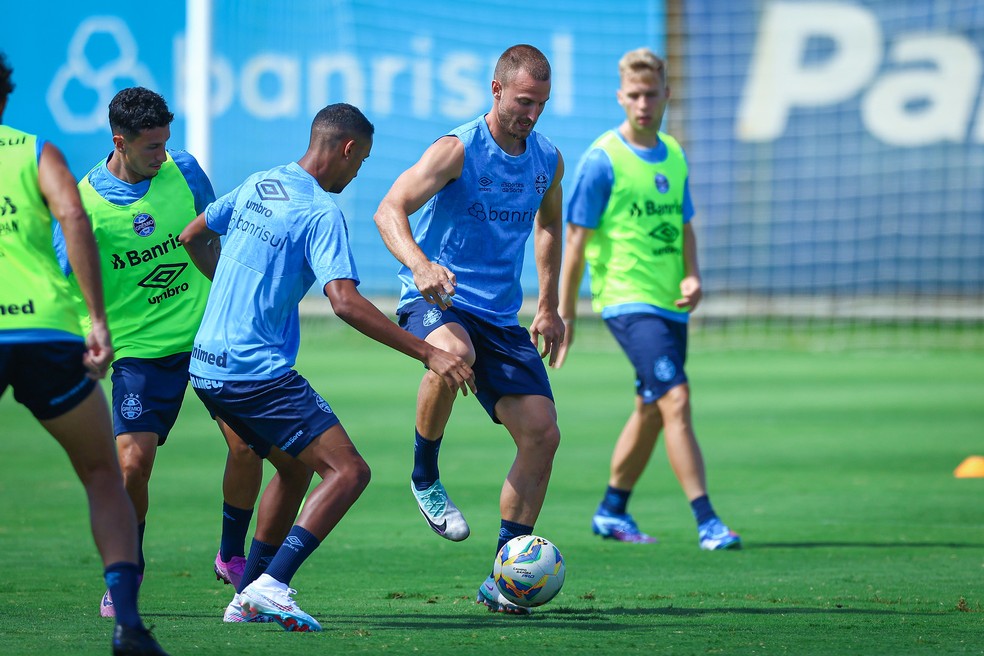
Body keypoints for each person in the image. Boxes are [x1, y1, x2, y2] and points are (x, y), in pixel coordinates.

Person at [179, 102, 476, 631]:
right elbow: (344, 302)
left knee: (293, 470)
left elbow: (193, 235)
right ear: (347, 149)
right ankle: (273, 586)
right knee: (349, 471)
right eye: (361, 162)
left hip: (206, 364)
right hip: (254, 370)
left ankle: (247, 593)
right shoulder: (319, 211)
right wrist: (429, 351)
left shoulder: (260, 183)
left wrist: (234, 288)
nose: (358, 172)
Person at [53, 87, 264, 616]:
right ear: (119, 142)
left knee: (248, 448)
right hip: (139, 353)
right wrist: (84, 339)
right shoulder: (84, 208)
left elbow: (213, 238)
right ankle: (128, 569)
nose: (163, 154)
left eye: (167, 142)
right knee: (133, 463)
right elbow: (63, 285)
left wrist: (235, 303)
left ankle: (231, 556)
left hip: (207, 336)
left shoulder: (184, 169)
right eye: (152, 147)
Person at [373, 44, 565, 614]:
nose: (531, 115)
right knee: (451, 353)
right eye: (524, 102)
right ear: (497, 90)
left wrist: (549, 305)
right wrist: (420, 265)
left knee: (542, 433)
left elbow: (550, 225)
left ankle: (506, 576)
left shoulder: (548, 159)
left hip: (501, 316)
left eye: (541, 105)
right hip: (439, 297)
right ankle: (424, 474)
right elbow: (389, 208)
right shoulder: (457, 148)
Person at [0, 52, 167, 656]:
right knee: (103, 475)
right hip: (45, 330)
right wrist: (96, 320)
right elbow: (72, 213)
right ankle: (128, 624)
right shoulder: (33, 152)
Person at [555, 48, 740, 550]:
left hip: (669, 303)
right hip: (625, 299)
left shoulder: (674, 154)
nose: (642, 103)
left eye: (650, 94)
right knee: (676, 398)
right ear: (621, 97)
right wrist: (562, 312)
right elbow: (575, 240)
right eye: (633, 95)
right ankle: (707, 521)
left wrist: (693, 275)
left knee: (653, 406)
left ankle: (612, 510)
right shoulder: (603, 159)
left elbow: (684, 226)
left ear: (666, 96)